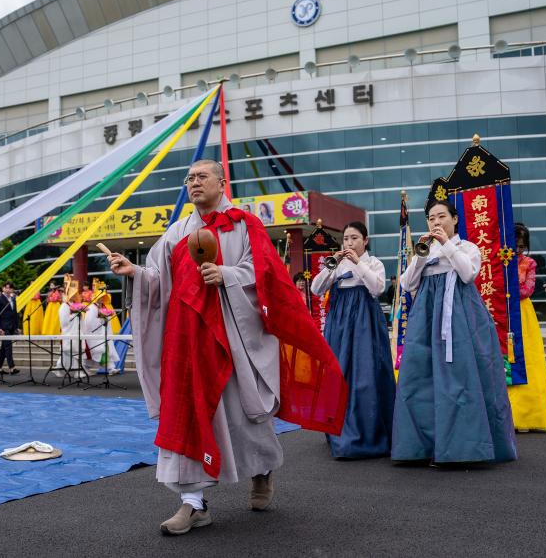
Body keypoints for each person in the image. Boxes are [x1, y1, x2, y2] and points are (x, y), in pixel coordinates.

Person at [107, 159, 346, 535]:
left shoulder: (244, 225)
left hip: (233, 337)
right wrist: (134, 272)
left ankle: (262, 469)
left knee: (243, 415)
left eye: (202, 176)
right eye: (189, 178)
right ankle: (193, 502)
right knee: (187, 414)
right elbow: (158, 277)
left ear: (222, 182)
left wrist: (228, 275)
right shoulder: (176, 233)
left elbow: (265, 272)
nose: (194, 182)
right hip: (187, 343)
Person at [391, 199, 516, 464]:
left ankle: (464, 447)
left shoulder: (467, 247)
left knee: (463, 375)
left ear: (455, 219)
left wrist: (446, 243)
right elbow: (407, 283)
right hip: (427, 316)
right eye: (431, 218)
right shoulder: (425, 249)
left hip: (460, 315)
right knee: (422, 377)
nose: (436, 222)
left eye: (441, 216)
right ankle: (423, 447)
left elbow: (468, 273)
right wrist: (421, 255)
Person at [311, 221, 396, 458]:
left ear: (365, 241)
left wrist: (358, 263)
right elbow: (316, 289)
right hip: (339, 325)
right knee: (339, 374)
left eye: (354, 238)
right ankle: (339, 428)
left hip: (365, 323)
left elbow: (377, 288)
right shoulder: (337, 264)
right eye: (346, 238)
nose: (349, 243)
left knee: (366, 375)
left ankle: (370, 432)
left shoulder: (373, 262)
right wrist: (331, 266)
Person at [507, 223, 546, 433]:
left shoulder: (529, 263)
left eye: (522, 246)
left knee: (527, 359)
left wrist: (507, 290)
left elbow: (528, 289)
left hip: (522, 313)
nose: (518, 250)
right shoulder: (497, 259)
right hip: (501, 311)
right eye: (515, 245)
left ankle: (525, 414)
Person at [0, 281, 20, 375]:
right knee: (8, 347)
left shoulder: (13, 299)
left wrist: (17, 327)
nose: (8, 290)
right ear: (3, 288)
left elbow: (15, 313)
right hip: (3, 327)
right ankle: (12, 367)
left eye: (10, 288)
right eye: (6, 288)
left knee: (4, 348)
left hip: (11, 326)